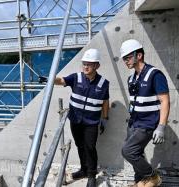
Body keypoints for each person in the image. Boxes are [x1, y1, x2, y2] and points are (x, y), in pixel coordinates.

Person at [54, 48, 109, 187]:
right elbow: (61, 80)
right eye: (84, 63)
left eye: (89, 64)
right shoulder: (76, 77)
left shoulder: (103, 83)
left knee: (90, 147)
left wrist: (105, 119)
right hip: (75, 120)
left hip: (91, 122)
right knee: (80, 146)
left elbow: (105, 102)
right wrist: (50, 80)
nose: (85, 66)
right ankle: (83, 170)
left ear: (97, 66)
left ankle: (91, 175)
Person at [120, 39, 170, 187]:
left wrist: (161, 127)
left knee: (128, 151)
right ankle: (140, 182)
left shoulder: (155, 74)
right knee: (137, 153)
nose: (126, 61)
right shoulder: (132, 78)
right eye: (124, 59)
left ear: (139, 55)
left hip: (147, 123)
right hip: (134, 122)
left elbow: (165, 101)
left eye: (128, 57)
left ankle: (152, 176)